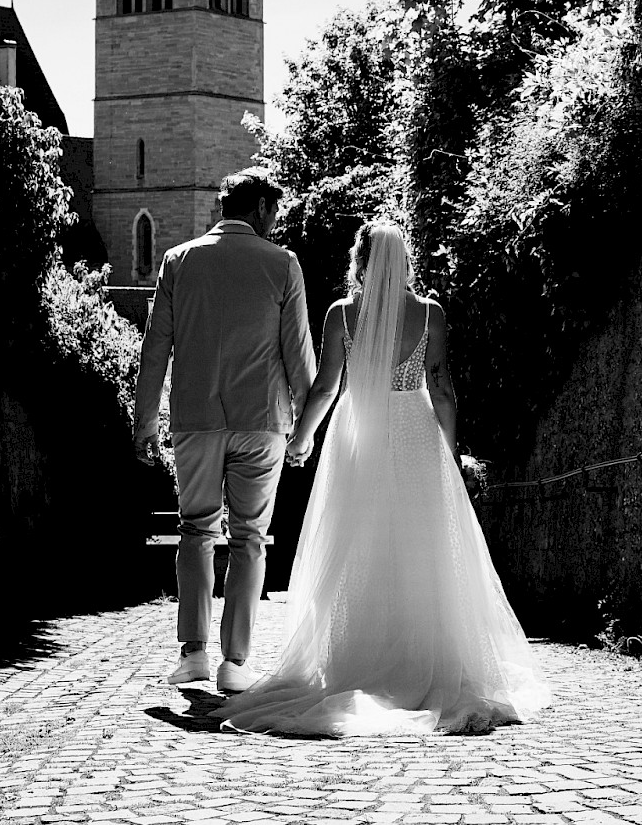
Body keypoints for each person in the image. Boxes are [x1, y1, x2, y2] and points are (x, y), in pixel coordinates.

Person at [215, 220, 551, 735]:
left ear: (361, 260)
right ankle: (423, 653)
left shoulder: (342, 314)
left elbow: (327, 385)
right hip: (416, 432)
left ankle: (358, 655)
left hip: (360, 432)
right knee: (422, 545)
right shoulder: (429, 313)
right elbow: (440, 386)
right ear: (404, 259)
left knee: (357, 544)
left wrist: (302, 436)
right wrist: (450, 450)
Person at [132, 170, 316, 695]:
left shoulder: (178, 260)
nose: (276, 222)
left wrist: (145, 422)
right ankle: (235, 662)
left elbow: (155, 349)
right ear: (259, 208)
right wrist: (303, 431)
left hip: (195, 422)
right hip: (261, 423)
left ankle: (193, 653)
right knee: (249, 539)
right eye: (275, 212)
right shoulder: (282, 264)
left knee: (195, 531)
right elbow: (299, 358)